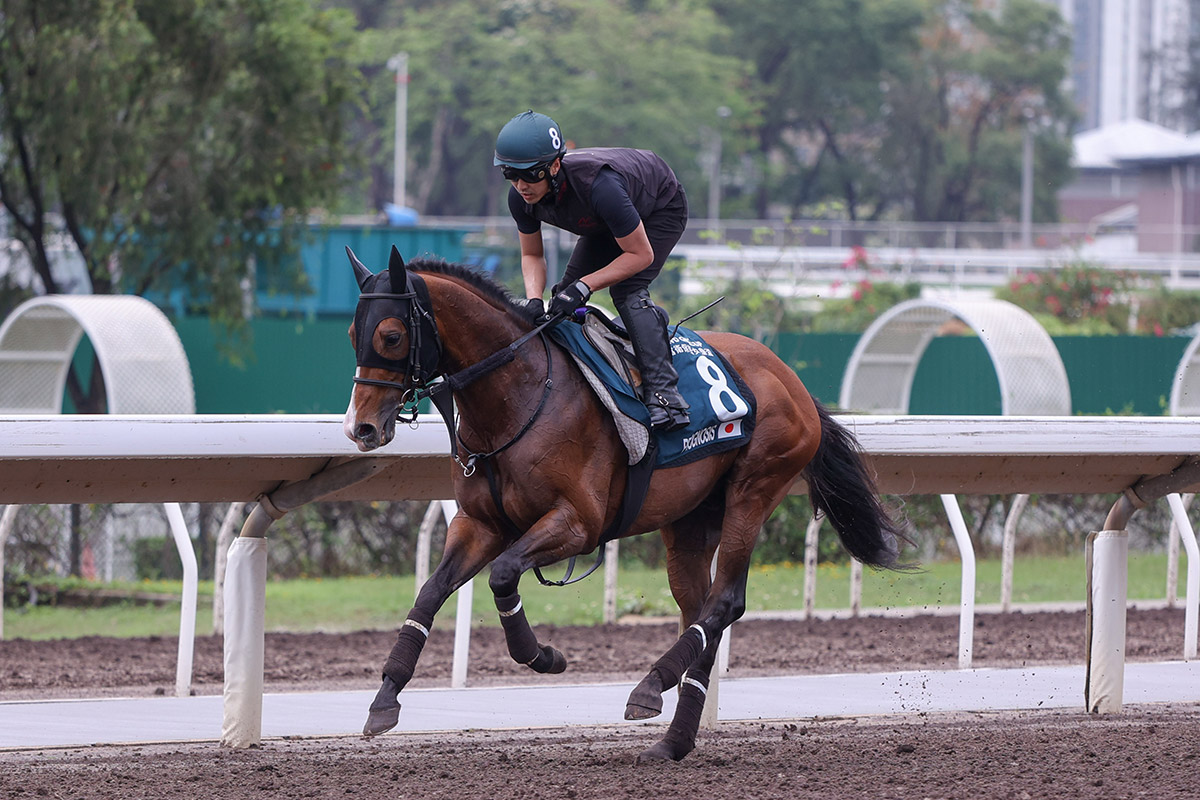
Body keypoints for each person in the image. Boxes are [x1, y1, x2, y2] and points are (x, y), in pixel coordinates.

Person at [493, 110, 691, 432]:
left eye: (529, 175)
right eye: (510, 175)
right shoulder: (521, 197)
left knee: (625, 291)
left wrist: (585, 286)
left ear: (554, 167)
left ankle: (665, 396)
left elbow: (640, 255)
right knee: (561, 304)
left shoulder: (600, 187)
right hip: (605, 221)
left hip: (658, 208)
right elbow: (531, 254)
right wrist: (533, 299)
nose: (520, 186)